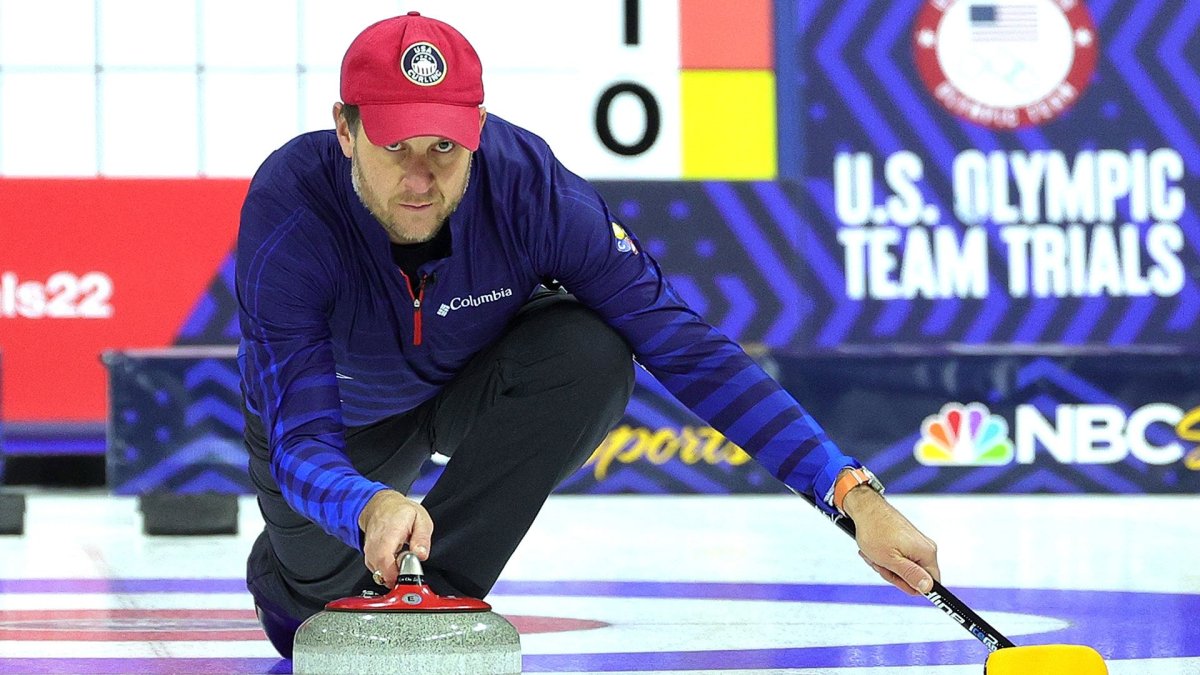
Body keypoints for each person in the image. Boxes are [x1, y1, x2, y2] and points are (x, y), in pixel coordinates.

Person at [237, 11, 941, 659]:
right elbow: (300, 440)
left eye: (446, 148)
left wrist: (852, 494)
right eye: (396, 148)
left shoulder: (528, 189)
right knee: (304, 622)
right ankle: (300, 569)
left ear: (479, 127)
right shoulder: (291, 212)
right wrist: (368, 501)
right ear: (346, 128)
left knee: (592, 349)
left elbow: (686, 347)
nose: (420, 179)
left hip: (467, 384)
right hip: (344, 426)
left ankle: (434, 599)